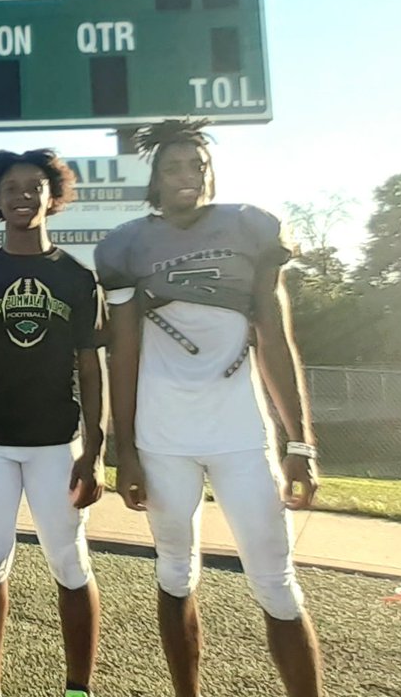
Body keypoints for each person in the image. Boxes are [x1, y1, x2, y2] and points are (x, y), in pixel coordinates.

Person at [94, 120, 324, 697]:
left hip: (241, 429)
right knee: (175, 573)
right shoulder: (127, 244)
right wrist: (125, 451)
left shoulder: (251, 227)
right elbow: (121, 355)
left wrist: (300, 443)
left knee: (275, 581)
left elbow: (275, 338)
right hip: (162, 432)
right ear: (153, 177)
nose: (187, 176)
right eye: (173, 167)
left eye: (197, 165)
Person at [0, 149, 107, 697]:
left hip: (57, 443)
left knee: (70, 562)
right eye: (11, 187)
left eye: (34, 185)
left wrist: (95, 448)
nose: (22, 195)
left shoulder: (78, 277)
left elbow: (90, 365)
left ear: (52, 195)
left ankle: (78, 687)